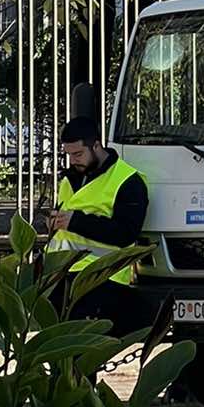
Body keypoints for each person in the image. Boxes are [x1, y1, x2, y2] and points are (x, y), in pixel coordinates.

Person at [48, 115, 152, 337]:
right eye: (69, 155)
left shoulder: (128, 182)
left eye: (78, 154)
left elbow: (126, 233)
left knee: (81, 353)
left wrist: (75, 221)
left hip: (102, 279)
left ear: (96, 145)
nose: (73, 161)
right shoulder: (71, 178)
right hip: (61, 276)